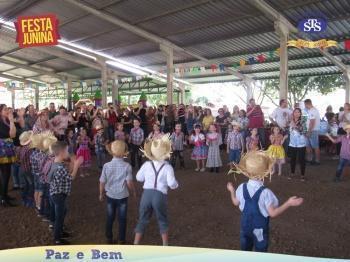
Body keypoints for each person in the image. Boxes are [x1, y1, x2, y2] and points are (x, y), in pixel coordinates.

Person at [226, 151, 303, 252]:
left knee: (245, 249)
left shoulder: (241, 187)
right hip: (260, 230)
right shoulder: (266, 193)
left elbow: (235, 202)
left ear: (247, 171)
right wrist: (288, 203)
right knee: (260, 251)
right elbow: (273, 213)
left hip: (245, 228)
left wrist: (232, 190)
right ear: (265, 173)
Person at [134, 135, 178, 246]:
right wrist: (176, 185)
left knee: (142, 218)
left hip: (146, 194)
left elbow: (139, 178)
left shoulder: (146, 165)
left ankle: (136, 243)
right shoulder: (168, 167)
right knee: (162, 219)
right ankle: (165, 244)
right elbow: (172, 184)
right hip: (159, 195)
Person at [99, 140, 136, 244]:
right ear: (124, 151)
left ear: (112, 151)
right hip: (122, 196)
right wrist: (133, 191)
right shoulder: (127, 166)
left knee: (110, 217)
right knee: (122, 218)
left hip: (110, 195)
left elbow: (102, 181)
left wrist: (101, 193)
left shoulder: (106, 165)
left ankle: (109, 237)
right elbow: (129, 183)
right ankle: (121, 239)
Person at [48, 141, 81, 245]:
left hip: (55, 193)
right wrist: (76, 165)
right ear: (62, 152)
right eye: (67, 150)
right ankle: (57, 238)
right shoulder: (60, 168)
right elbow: (71, 178)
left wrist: (71, 163)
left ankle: (60, 230)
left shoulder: (55, 162)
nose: (68, 152)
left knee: (63, 211)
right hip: (59, 195)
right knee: (59, 216)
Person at [0, 104, 17, 206]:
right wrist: (11, 121)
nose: (7, 111)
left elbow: (13, 134)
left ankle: (4, 195)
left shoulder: (5, 121)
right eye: (5, 109)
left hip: (6, 149)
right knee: (5, 174)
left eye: (8, 109)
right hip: (2, 150)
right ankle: (3, 198)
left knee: (6, 174)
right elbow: (11, 134)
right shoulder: (1, 122)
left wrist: (11, 121)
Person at [289, 108, 307, 181]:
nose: (296, 113)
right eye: (295, 112)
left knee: (301, 159)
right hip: (292, 143)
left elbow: (304, 132)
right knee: (292, 159)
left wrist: (295, 127)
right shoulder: (291, 121)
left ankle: (302, 175)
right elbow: (289, 130)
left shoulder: (303, 121)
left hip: (301, 144)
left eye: (298, 112)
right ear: (293, 113)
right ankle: (292, 173)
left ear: (300, 113)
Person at [16, 131, 34, 207]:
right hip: (29, 169)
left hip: (22, 169)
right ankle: (30, 200)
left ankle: (24, 199)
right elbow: (32, 160)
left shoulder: (20, 149)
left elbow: (17, 160)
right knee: (31, 184)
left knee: (25, 184)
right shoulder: (30, 149)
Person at [304, 99, 321, 165]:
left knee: (315, 146)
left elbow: (312, 122)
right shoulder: (311, 110)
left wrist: (309, 131)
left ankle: (317, 160)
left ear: (307, 104)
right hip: (310, 130)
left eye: (305, 105)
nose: (305, 106)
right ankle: (309, 159)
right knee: (308, 145)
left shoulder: (313, 111)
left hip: (312, 130)